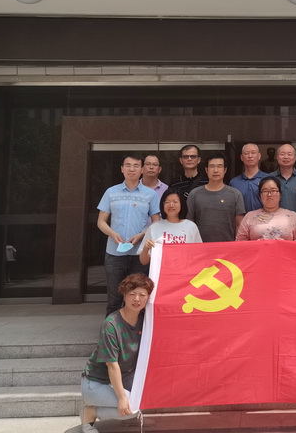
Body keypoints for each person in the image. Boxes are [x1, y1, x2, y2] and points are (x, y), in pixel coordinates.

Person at [81, 273, 155, 432]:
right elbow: (112, 365)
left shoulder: (145, 320)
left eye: (142, 295)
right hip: (96, 382)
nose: (137, 299)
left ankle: (131, 412)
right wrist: (121, 398)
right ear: (124, 296)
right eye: (132, 294)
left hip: (126, 376)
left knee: (149, 395)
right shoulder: (111, 324)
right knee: (131, 407)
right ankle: (91, 412)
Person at [97, 155, 159, 316]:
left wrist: (141, 235)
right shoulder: (111, 192)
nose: (132, 169)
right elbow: (101, 221)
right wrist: (112, 234)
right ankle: (112, 329)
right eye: (128, 165)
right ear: (122, 169)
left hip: (139, 254)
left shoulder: (150, 194)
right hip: (114, 253)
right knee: (114, 297)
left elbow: (156, 221)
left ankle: (136, 329)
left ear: (142, 170)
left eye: (136, 166)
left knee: (138, 297)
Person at [187, 153, 246, 242]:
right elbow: (189, 223)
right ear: (206, 170)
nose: (215, 170)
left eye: (219, 166)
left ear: (225, 170)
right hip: (200, 246)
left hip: (228, 246)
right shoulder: (194, 194)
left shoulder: (235, 194)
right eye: (212, 166)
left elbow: (239, 225)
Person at [138, 191, 202, 265]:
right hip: (160, 271)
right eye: (167, 202)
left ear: (182, 204)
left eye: (175, 202)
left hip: (185, 270)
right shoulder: (154, 228)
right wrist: (146, 249)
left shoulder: (191, 226)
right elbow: (143, 262)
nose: (171, 205)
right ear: (163, 205)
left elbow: (199, 255)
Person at [235, 176, 296, 241]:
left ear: (280, 194)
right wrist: (257, 244)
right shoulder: (249, 217)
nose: (269, 195)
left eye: (273, 190)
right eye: (265, 191)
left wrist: (285, 244)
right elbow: (240, 242)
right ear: (260, 196)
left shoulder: (293, 216)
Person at [229, 142, 268, 212]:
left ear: (259, 156)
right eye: (246, 153)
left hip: (265, 218)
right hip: (241, 218)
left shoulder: (268, 179)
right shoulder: (234, 183)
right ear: (241, 157)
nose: (250, 156)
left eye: (253, 153)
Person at [167, 144, 208, 208]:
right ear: (181, 160)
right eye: (186, 157)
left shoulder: (207, 182)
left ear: (199, 160)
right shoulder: (174, 184)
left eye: (193, 156)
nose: (189, 159)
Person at [270, 143, 296, 213]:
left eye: (289, 154)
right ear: (277, 157)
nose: (286, 157)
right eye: (282, 154)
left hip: (295, 219)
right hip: (273, 219)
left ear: (295, 158)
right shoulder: (269, 178)